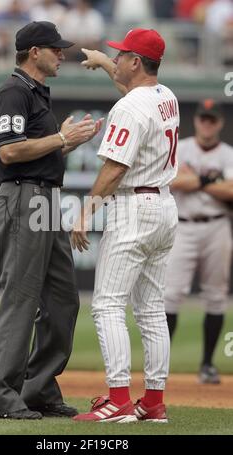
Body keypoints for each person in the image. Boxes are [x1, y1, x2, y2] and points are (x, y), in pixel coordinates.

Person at [0, 20, 103, 420]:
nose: (62, 54)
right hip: (23, 196)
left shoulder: (35, 92)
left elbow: (39, 153)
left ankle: (38, 390)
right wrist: (61, 139)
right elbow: (10, 153)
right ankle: (2, 397)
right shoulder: (14, 91)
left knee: (62, 299)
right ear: (34, 52)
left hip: (47, 198)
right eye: (55, 49)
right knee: (21, 298)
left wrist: (66, 143)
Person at [71, 28, 180, 423]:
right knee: (151, 309)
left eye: (120, 55)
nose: (116, 59)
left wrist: (85, 213)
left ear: (136, 62)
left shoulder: (132, 106)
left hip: (134, 207)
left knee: (107, 305)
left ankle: (118, 399)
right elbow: (132, 98)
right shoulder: (164, 96)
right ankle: (153, 402)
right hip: (164, 206)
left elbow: (115, 168)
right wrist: (102, 63)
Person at [164, 99, 233, 384]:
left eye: (212, 119)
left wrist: (196, 179)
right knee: (170, 294)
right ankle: (161, 366)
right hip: (184, 225)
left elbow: (231, 192)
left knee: (216, 295)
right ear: (196, 121)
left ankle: (207, 364)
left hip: (217, 226)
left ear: (220, 123)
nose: (207, 123)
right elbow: (171, 181)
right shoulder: (181, 147)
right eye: (203, 118)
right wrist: (210, 180)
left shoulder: (229, 154)